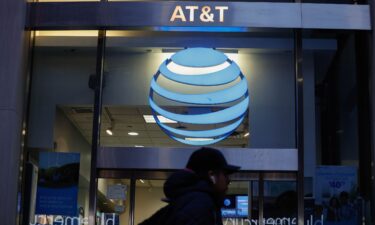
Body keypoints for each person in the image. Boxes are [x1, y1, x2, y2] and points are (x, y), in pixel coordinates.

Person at [139, 147, 240, 225]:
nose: (228, 180)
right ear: (211, 175)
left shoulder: (185, 201)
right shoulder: (201, 206)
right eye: (225, 174)